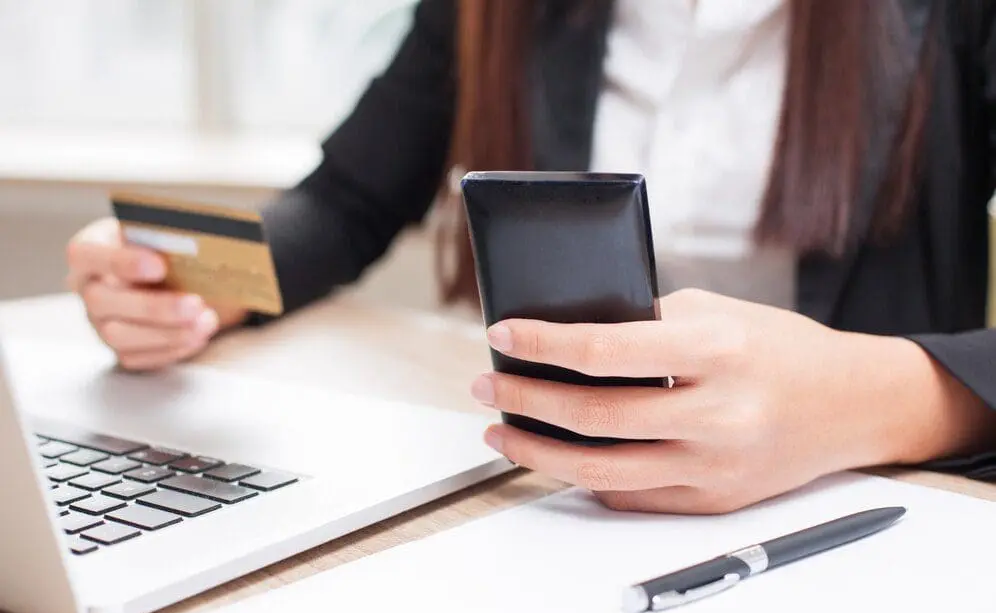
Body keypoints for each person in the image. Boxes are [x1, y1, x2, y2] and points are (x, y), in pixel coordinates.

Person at [65, 0, 996, 514]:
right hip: (542, 496)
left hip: (857, 513)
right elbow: (346, 201)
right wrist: (190, 279)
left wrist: (878, 396)